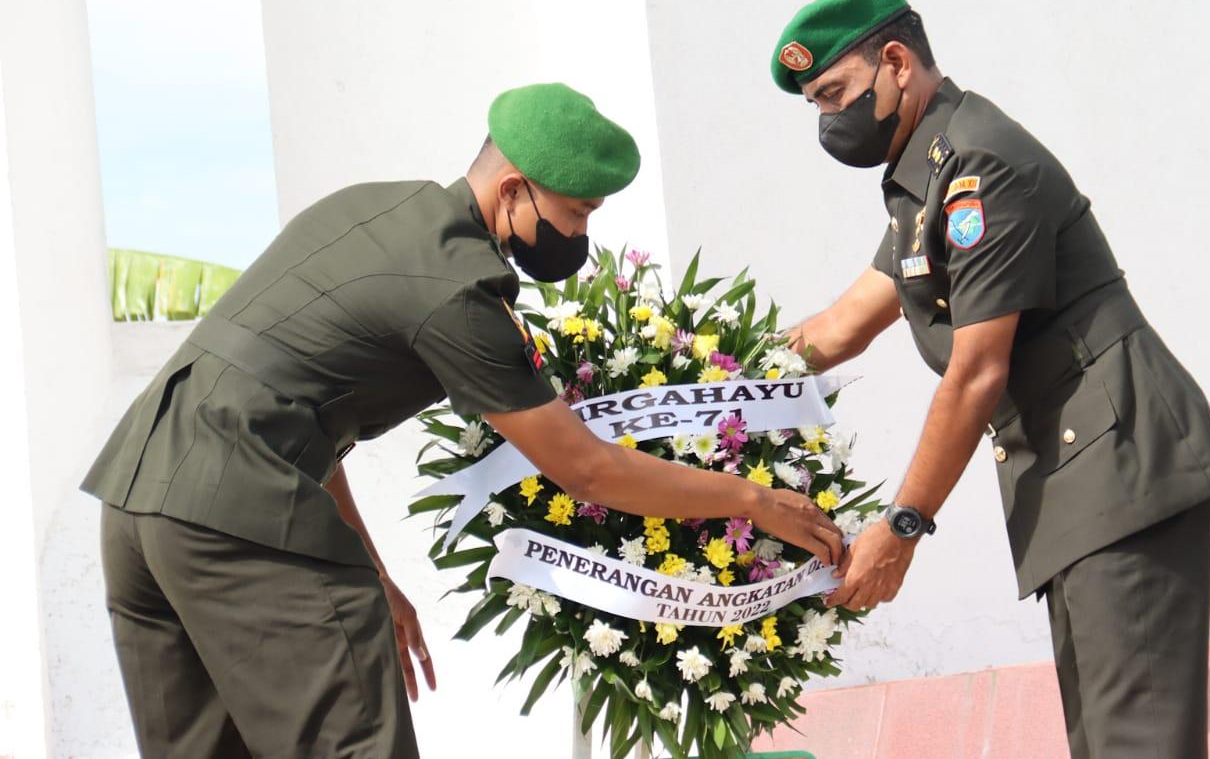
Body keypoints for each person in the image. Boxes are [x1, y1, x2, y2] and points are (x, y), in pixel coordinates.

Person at [82, 82, 844, 758]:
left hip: (139, 504)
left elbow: (299, 410)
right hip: (242, 516)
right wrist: (752, 498)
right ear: (513, 189)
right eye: (575, 212)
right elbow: (586, 468)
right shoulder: (457, 289)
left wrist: (373, 570)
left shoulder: (370, 206)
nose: (580, 236)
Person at [771, 0, 1210, 758]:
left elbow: (977, 371)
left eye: (835, 93)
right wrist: (708, 379)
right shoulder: (927, 177)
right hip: (1078, 473)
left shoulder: (980, 168)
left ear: (895, 62)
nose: (830, 120)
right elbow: (842, 325)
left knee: (1138, 744)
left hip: (1123, 467)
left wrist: (903, 524)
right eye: (816, 103)